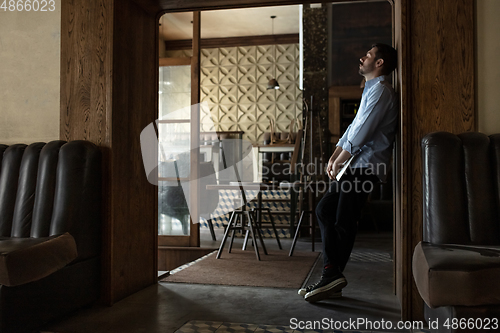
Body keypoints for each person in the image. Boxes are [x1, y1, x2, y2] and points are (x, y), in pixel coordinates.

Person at [300, 43, 398, 303]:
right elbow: (353, 128)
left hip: (366, 168)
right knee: (324, 210)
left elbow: (364, 132)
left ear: (379, 64)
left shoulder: (383, 92)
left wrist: (339, 160)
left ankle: (330, 276)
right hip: (354, 167)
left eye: (368, 55)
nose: (361, 57)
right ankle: (332, 276)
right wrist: (335, 156)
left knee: (343, 219)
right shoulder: (370, 90)